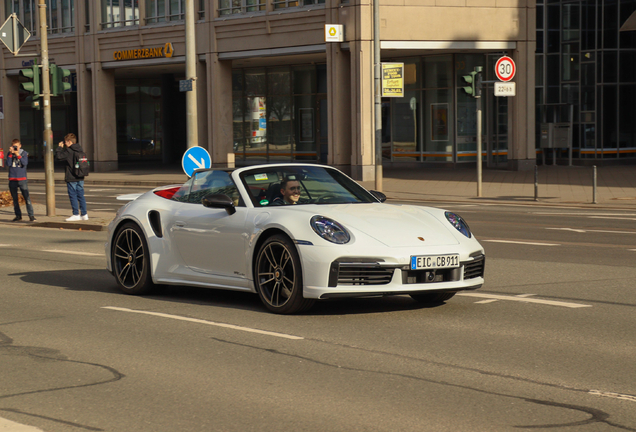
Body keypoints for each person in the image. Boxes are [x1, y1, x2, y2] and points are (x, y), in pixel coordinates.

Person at [55, 133, 88, 221]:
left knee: (73, 195)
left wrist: (59, 148)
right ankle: (84, 214)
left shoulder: (69, 151)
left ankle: (76, 214)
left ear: (69, 142)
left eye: (66, 142)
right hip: (80, 176)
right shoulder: (80, 150)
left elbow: (58, 157)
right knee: (81, 195)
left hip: (71, 176)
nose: (65, 144)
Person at [6, 139, 36, 222]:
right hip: (12, 179)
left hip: (22, 178)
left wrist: (17, 154)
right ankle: (18, 215)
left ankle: (31, 215)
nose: (16, 148)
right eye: (14, 146)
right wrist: (11, 154)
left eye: (17, 146)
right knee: (15, 199)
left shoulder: (24, 153)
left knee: (27, 198)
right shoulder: (10, 154)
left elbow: (25, 163)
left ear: (20, 146)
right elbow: (8, 164)